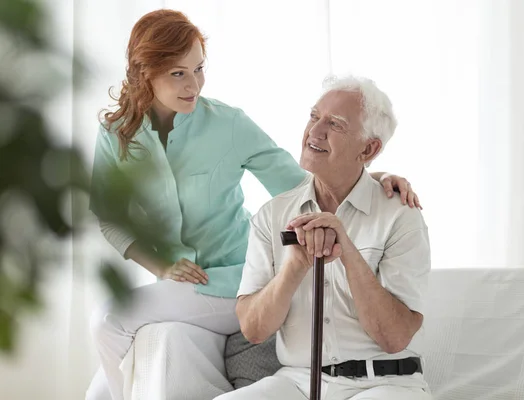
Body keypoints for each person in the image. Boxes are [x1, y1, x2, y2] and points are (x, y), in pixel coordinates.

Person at [86, 9, 422, 400]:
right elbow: (109, 219)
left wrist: (372, 176)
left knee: (108, 320)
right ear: (145, 73)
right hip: (182, 287)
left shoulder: (227, 124)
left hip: (236, 280)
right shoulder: (116, 135)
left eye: (199, 68)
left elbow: (299, 181)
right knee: (97, 390)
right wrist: (161, 265)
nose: (194, 84)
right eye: (178, 73)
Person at [216, 75, 431, 400]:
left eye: (336, 124)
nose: (314, 132)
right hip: (298, 382)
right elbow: (254, 329)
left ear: (369, 148)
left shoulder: (400, 215)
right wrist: (294, 267)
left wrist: (347, 252)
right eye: (314, 116)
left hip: (385, 385)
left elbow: (395, 338)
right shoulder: (272, 215)